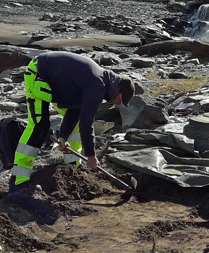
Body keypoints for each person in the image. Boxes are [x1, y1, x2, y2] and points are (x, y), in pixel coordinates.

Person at [10, 51, 135, 188]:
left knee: (76, 123)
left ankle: (72, 167)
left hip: (57, 83)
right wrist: (91, 156)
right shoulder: (97, 86)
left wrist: (63, 137)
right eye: (120, 100)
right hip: (39, 73)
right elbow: (87, 124)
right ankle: (19, 177)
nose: (118, 104)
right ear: (118, 90)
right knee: (39, 125)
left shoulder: (100, 82)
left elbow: (76, 109)